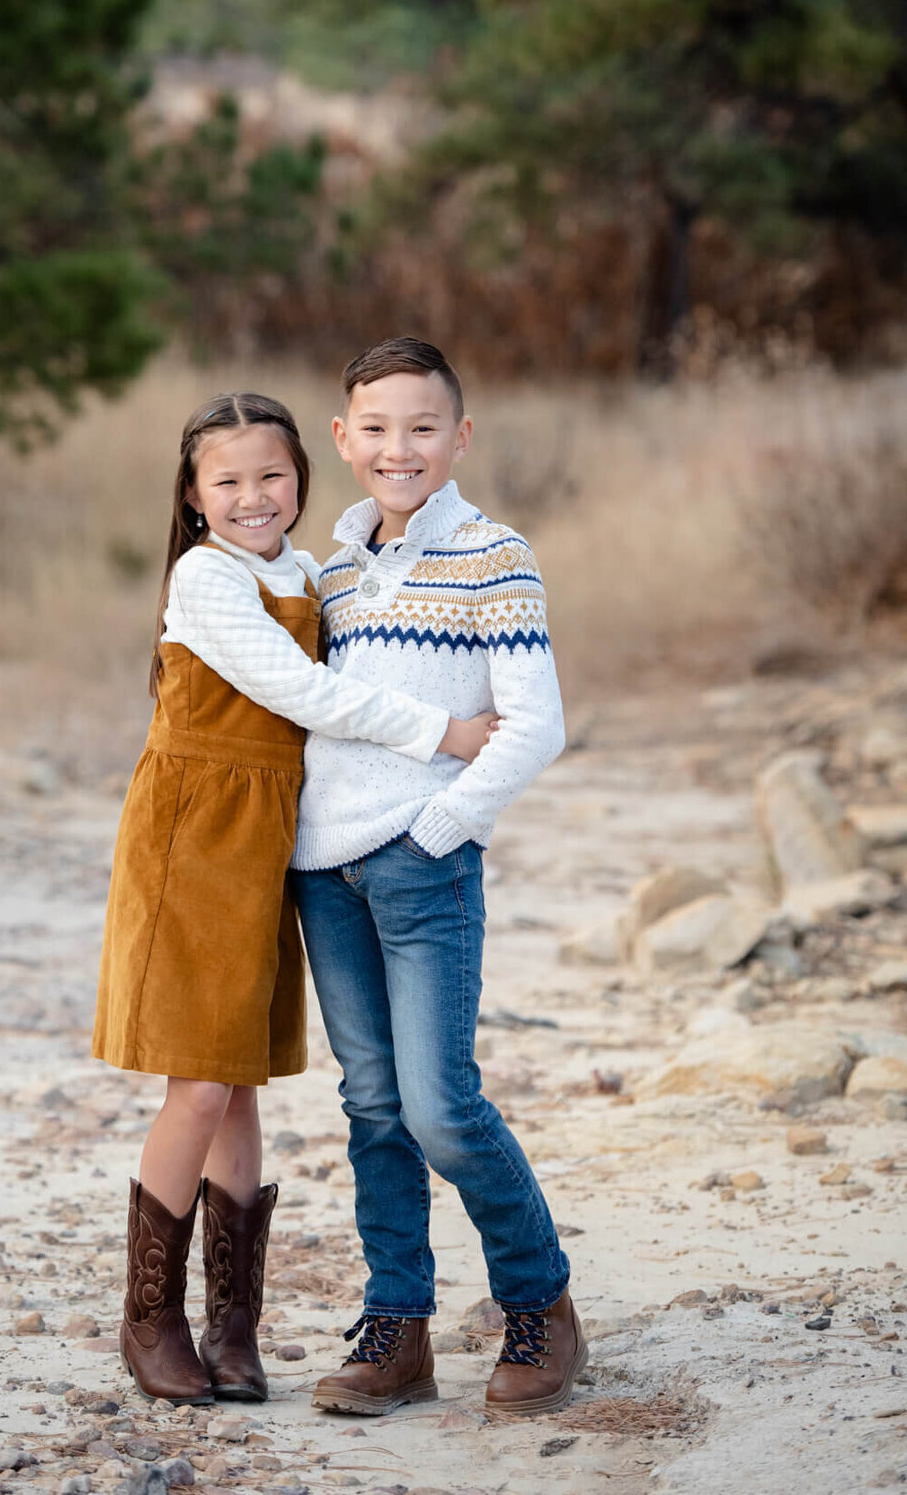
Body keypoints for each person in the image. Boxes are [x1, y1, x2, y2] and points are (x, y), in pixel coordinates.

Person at [91, 391, 496, 1408]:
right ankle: (152, 1320)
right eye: (226, 481)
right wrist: (445, 732)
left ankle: (236, 1325)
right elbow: (306, 692)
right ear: (192, 496)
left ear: (302, 478)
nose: (252, 496)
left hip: (272, 840)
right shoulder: (207, 578)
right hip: (196, 840)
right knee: (198, 1083)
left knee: (240, 1080)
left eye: (271, 476)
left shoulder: (308, 571)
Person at [290, 337, 583, 1418]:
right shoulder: (328, 570)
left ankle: (540, 1304)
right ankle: (397, 1330)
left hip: (424, 867)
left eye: (422, 427)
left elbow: (534, 723)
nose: (397, 447)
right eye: (375, 428)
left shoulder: (495, 554)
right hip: (324, 873)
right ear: (343, 439)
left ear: (459, 437)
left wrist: (441, 828)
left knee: (443, 1108)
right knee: (372, 1106)